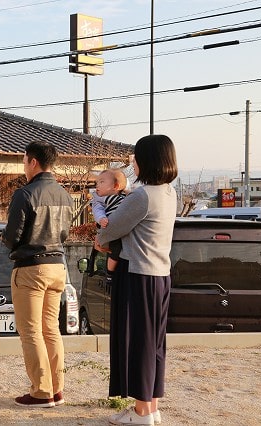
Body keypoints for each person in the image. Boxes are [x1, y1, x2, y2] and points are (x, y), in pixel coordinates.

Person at [96, 134, 178, 425]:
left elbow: (109, 230)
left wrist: (101, 237)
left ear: (147, 160)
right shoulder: (169, 192)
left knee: (138, 343)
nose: (132, 162)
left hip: (137, 275)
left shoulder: (142, 196)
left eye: (135, 157)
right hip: (160, 275)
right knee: (153, 343)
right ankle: (150, 406)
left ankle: (142, 412)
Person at [1, 140, 73, 408]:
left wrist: (4, 240)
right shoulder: (65, 195)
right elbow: (64, 234)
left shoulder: (25, 194)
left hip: (31, 268)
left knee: (30, 331)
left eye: (24, 161)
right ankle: (57, 389)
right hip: (57, 267)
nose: (24, 166)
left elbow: (13, 236)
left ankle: (41, 391)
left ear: (32, 162)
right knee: (51, 330)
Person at [91, 168, 128, 278]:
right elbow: (97, 210)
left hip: (118, 231)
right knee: (115, 248)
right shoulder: (99, 199)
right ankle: (110, 271)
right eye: (97, 182)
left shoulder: (125, 198)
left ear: (115, 186)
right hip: (107, 228)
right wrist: (101, 218)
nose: (98, 185)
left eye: (102, 182)